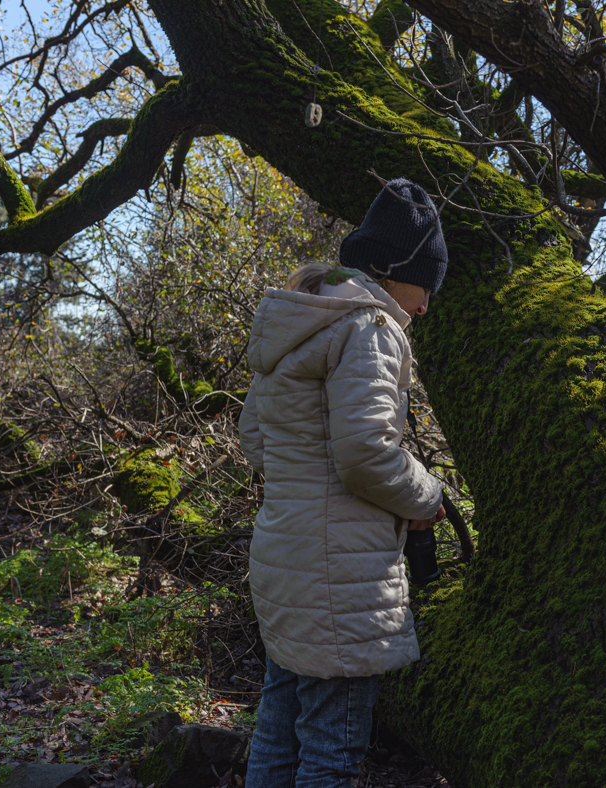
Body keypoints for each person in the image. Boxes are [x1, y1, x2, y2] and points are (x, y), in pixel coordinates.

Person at [238, 178, 448, 788]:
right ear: (398, 269)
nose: (426, 304)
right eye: (427, 284)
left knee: (276, 733)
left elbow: (256, 439)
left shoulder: (300, 320)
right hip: (341, 578)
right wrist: (427, 494)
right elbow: (365, 455)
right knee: (332, 753)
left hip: (284, 560)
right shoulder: (370, 329)